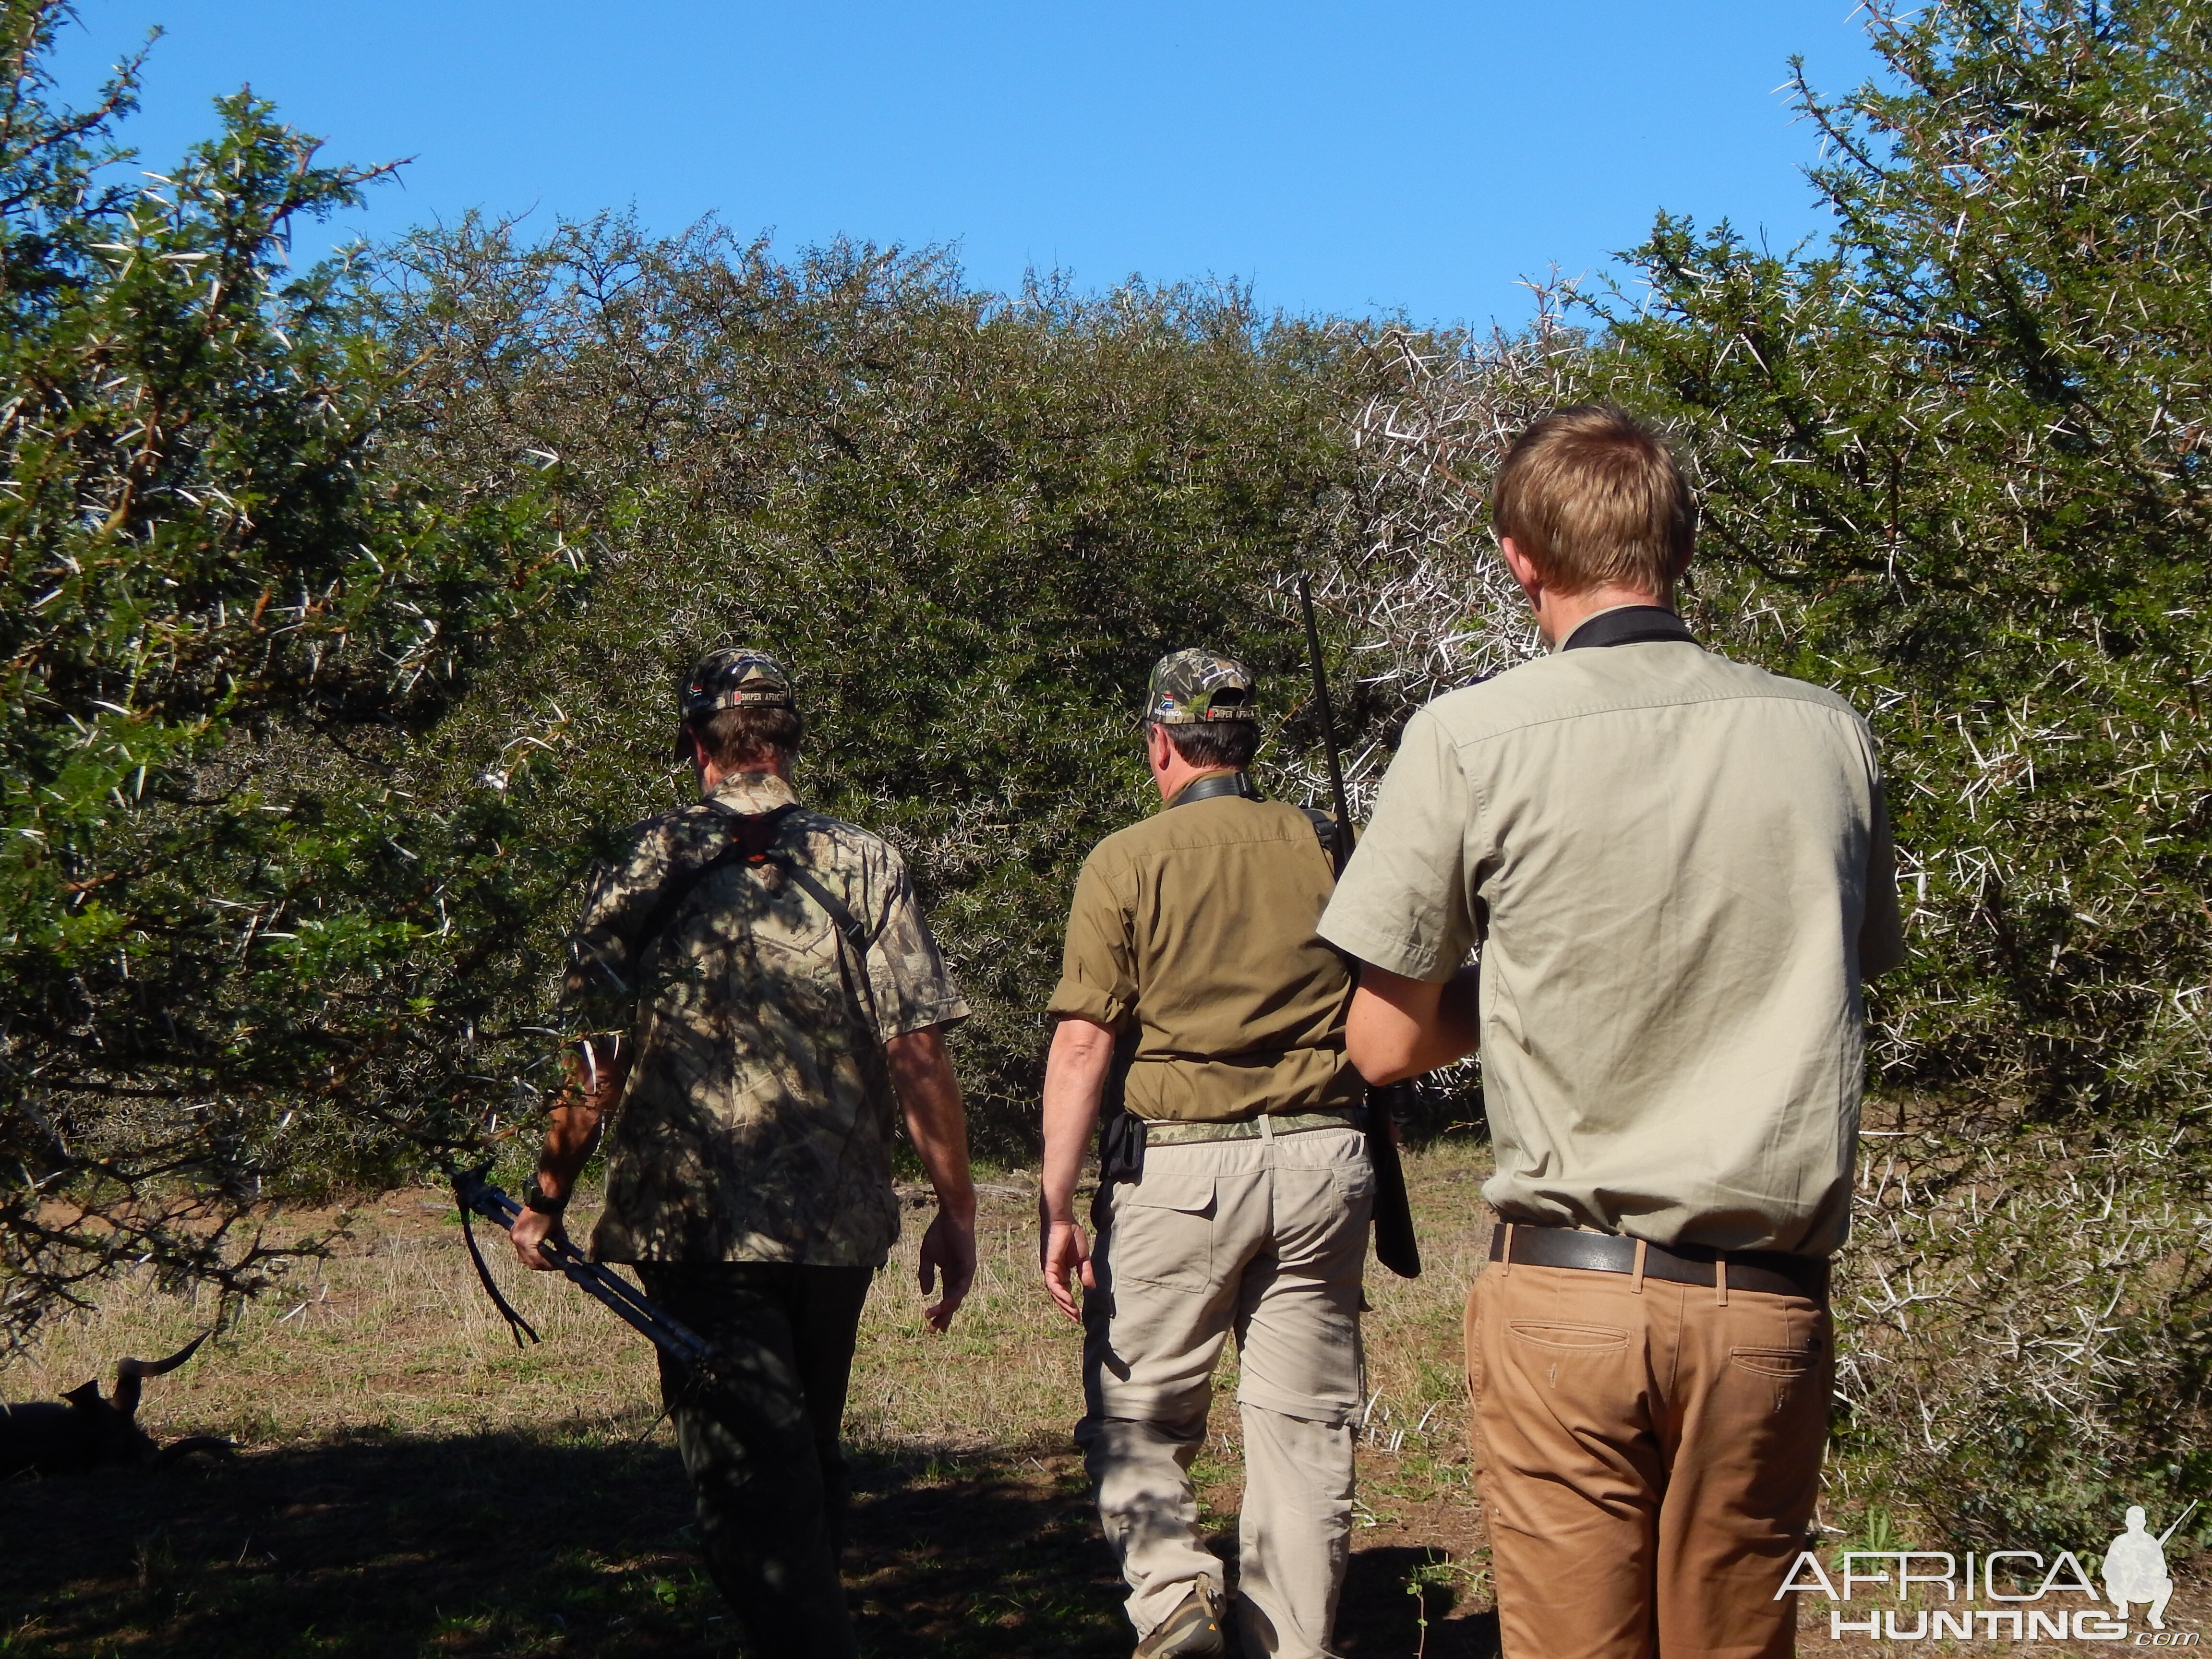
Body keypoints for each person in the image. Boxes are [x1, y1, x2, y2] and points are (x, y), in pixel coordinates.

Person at [1316, 405, 1906, 1659]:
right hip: (1770, 1312)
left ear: (1519, 557)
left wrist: (1527, 982)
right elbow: (1841, 969)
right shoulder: (1829, 735)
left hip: (1571, 1300)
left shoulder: (1469, 738)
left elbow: (1379, 1042)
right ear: (1681, 549)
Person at [508, 647, 978, 1659]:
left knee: (745, 1491)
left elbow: (596, 1060)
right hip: (835, 1225)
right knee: (801, 1459)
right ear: (790, 740)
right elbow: (920, 1050)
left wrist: (546, 1194)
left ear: (694, 748)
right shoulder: (867, 861)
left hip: (698, 1233)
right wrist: (958, 1208)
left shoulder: (639, 861)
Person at [1039, 650, 1372, 1659]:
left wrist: (1056, 1202)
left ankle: (1174, 1595)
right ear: (1246, 741)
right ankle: (1295, 1646)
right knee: (1303, 1430)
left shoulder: (1127, 859)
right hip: (1324, 1161)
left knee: (1138, 1415)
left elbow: (1087, 1039)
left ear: (1162, 744)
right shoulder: (1325, 844)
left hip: (1181, 1170)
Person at [2103, 1506, 2175, 1630]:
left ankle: (2155, 1616)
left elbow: (2162, 1570)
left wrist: (2147, 1570)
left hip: (2143, 1587)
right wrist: (2125, 1571)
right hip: (2123, 1588)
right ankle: (2122, 1606)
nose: (2136, 1526)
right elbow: (2108, 1568)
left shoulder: (2151, 1542)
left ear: (2145, 1523)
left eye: (2139, 1523)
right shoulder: (2120, 1542)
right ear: (2127, 1523)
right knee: (2112, 1582)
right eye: (2133, 1523)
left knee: (2167, 1584)